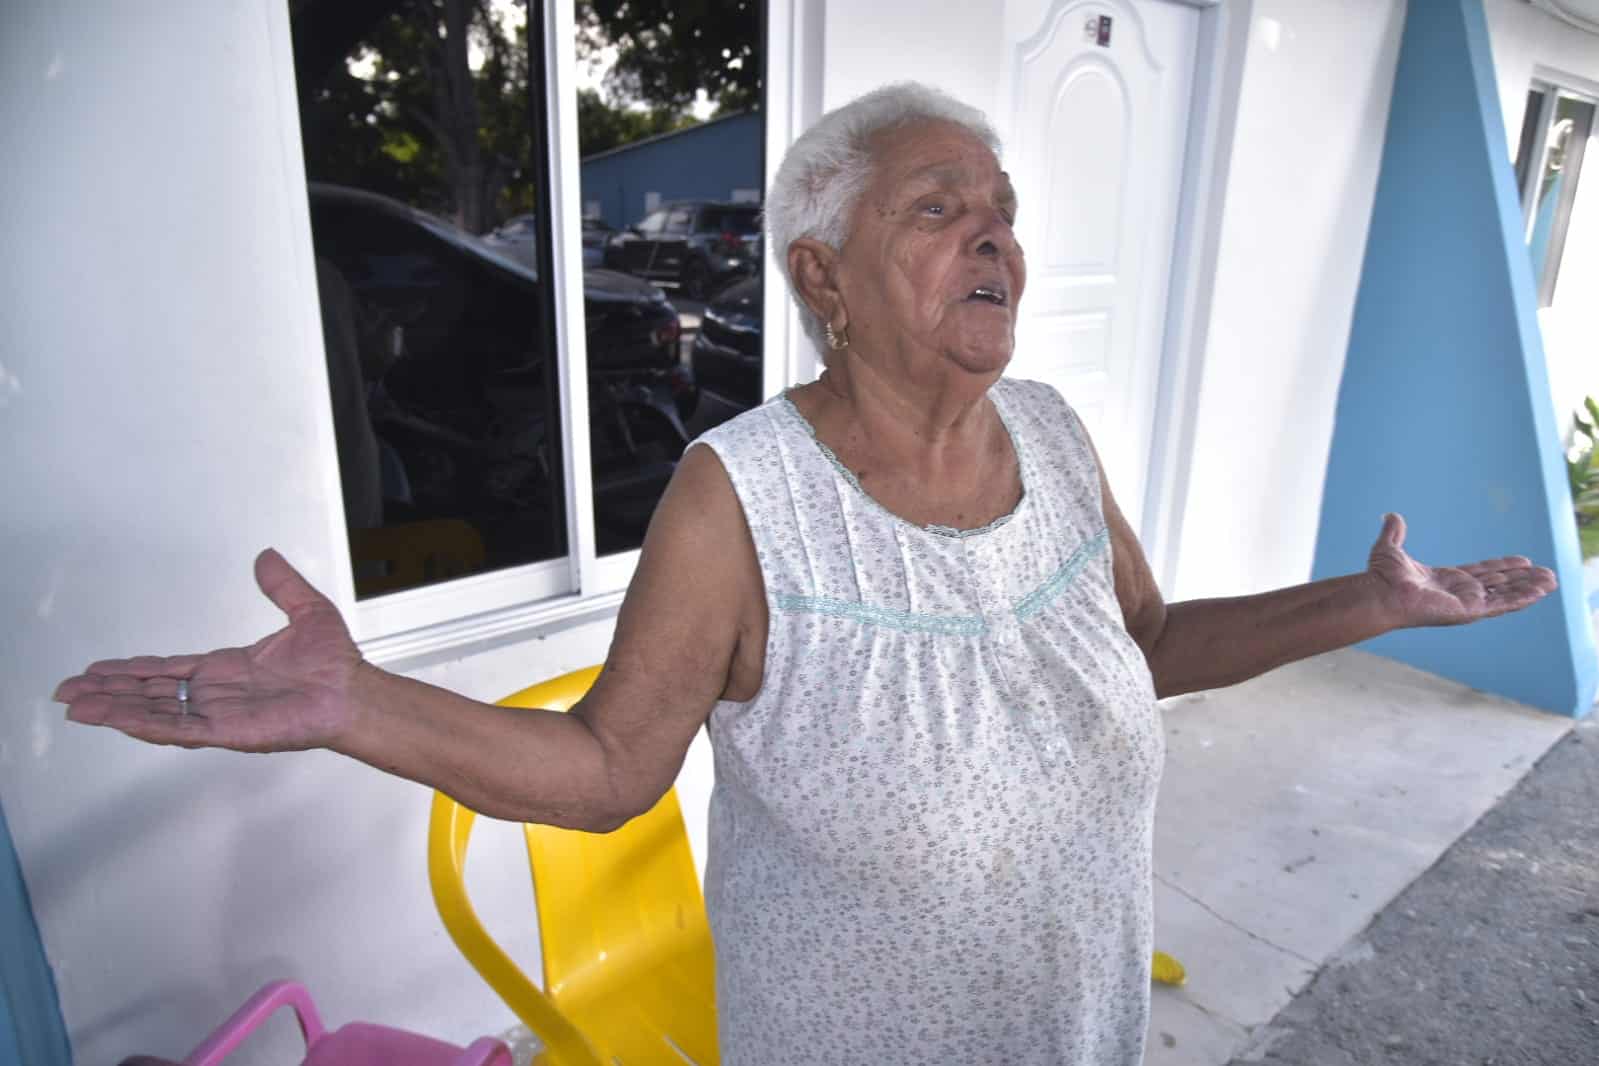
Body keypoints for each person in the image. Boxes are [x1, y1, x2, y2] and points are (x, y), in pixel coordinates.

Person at [55, 83, 1556, 1065]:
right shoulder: (743, 500)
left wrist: (1368, 605)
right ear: (820, 275)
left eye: (1006, 212)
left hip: (1076, 1029)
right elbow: (602, 764)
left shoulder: (1049, 430)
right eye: (941, 209)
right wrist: (355, 700)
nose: (1000, 242)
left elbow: (1146, 635)